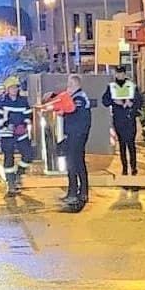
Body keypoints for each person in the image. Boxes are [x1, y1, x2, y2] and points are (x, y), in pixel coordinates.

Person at [0, 76, 33, 197]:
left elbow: (28, 116)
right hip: (7, 134)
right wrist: (8, 125)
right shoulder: (2, 102)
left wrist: (24, 125)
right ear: (7, 89)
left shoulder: (23, 101)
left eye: (16, 87)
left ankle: (18, 174)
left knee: (28, 155)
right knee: (9, 158)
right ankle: (11, 184)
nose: (14, 89)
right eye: (12, 87)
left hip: (21, 133)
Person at [58, 75, 92, 206]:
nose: (68, 87)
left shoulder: (79, 98)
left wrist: (63, 112)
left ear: (75, 85)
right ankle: (81, 192)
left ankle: (73, 193)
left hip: (76, 135)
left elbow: (72, 110)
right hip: (77, 134)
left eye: (70, 84)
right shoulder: (78, 97)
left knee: (72, 163)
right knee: (78, 162)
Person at [102, 66, 141, 175]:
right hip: (118, 118)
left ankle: (133, 167)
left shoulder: (131, 86)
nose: (119, 75)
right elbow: (105, 101)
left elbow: (139, 101)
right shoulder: (111, 87)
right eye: (117, 73)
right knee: (122, 144)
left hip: (129, 117)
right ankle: (124, 167)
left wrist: (132, 104)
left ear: (125, 74)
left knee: (131, 144)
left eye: (121, 73)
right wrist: (114, 102)